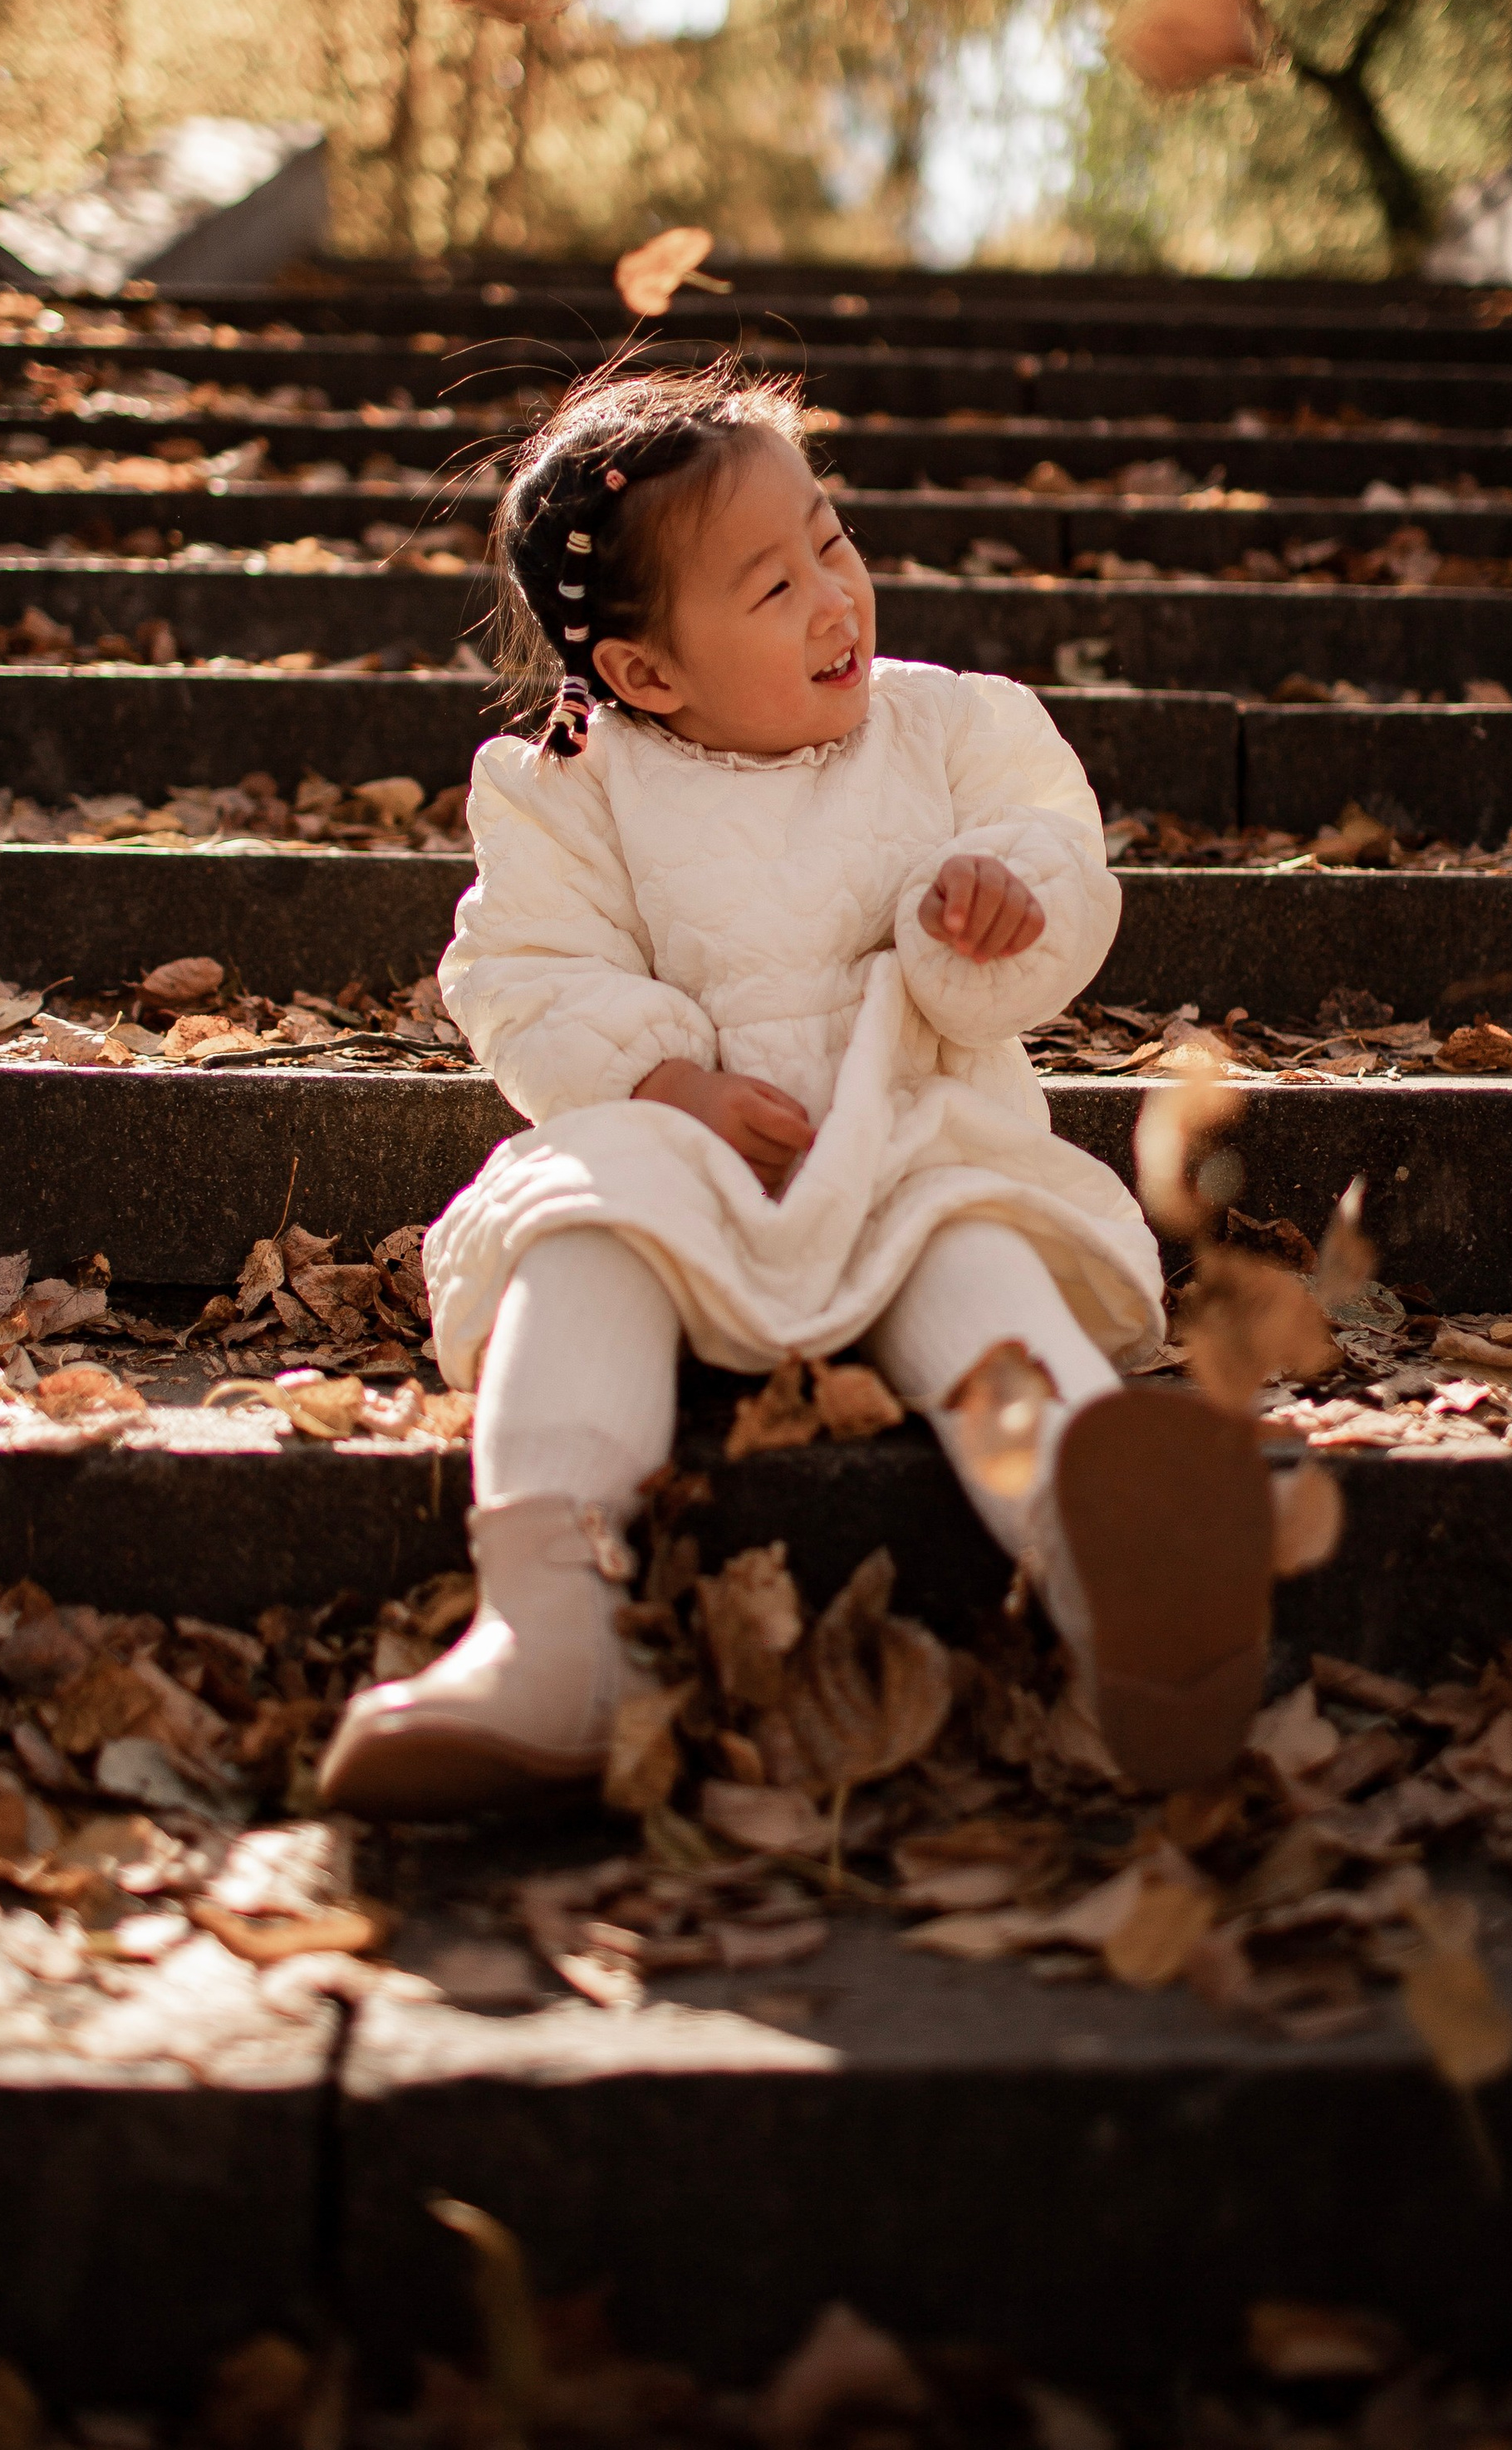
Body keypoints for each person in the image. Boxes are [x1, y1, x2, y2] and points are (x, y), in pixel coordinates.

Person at [320, 358, 1274, 1819]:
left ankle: (1125, 1584)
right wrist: (659, 1077)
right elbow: (520, 970)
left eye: (831, 539)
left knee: (983, 1298)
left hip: (916, 1142)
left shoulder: (953, 728)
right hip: (688, 1162)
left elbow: (1055, 854)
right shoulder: (565, 782)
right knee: (576, 1239)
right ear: (643, 672)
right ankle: (548, 1631)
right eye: (771, 589)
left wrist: (991, 914)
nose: (835, 597)